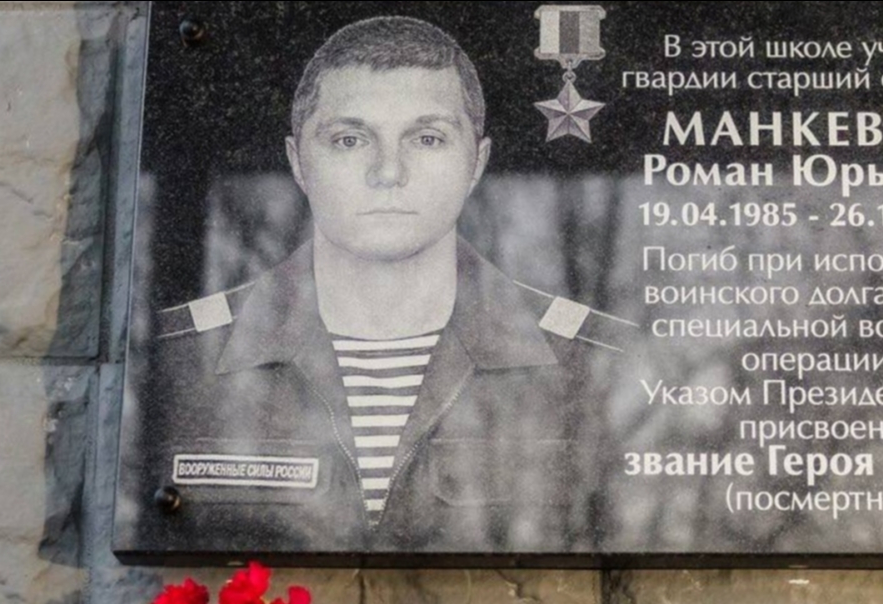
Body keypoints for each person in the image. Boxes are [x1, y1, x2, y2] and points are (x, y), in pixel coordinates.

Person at [117, 16, 625, 559]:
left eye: (427, 138)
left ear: (476, 163)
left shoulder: (588, 356)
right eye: (349, 139)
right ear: (297, 162)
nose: (388, 171)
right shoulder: (187, 352)